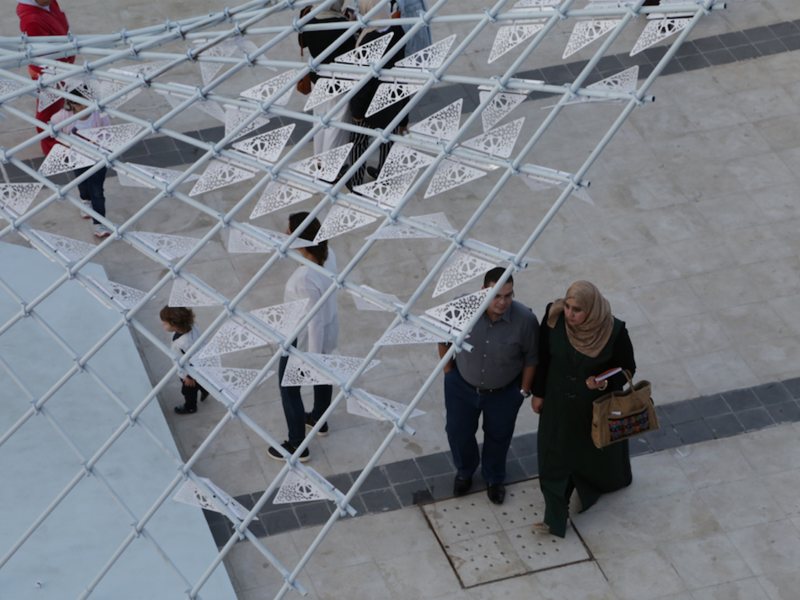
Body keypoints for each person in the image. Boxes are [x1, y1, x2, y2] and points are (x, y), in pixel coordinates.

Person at [530, 281, 636, 537]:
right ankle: (555, 518)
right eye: (567, 306)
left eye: (577, 309)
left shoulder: (613, 330)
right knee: (552, 456)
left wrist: (605, 382)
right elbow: (543, 357)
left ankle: (604, 482)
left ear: (591, 309)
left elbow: (627, 368)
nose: (569, 313)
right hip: (557, 404)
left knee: (593, 454)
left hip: (593, 408)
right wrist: (539, 393)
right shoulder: (553, 318)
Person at [438, 268, 539, 505]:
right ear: (484, 291)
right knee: (457, 432)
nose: (503, 301)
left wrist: (523, 391)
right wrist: (448, 373)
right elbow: (443, 339)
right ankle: (464, 472)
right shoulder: (461, 307)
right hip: (461, 388)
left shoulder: (525, 320)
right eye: (497, 295)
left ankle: (494, 478)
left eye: (508, 295)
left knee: (499, 437)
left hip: (504, 393)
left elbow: (532, 358)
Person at [268, 212, 339, 463]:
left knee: (288, 389)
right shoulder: (329, 255)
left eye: (288, 232)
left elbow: (314, 321)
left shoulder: (304, 277)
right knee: (323, 374)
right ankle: (319, 418)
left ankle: (297, 443)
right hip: (331, 325)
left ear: (300, 239)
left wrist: (312, 358)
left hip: (303, 339)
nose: (285, 235)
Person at [348, 0, 410, 187]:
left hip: (370, 104)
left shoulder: (369, 39)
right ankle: (385, 178)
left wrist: (357, 113)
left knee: (359, 142)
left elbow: (364, 83)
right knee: (387, 141)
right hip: (393, 99)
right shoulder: (397, 31)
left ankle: (357, 181)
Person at [50, 86, 112, 238]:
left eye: (88, 101)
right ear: (71, 103)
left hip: (97, 158)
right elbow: (53, 128)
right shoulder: (63, 116)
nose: (86, 106)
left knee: (97, 190)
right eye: (80, 103)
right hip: (77, 158)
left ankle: (99, 224)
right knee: (83, 183)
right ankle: (85, 201)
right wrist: (66, 145)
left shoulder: (99, 114)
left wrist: (98, 141)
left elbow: (109, 133)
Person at [16, 0, 75, 155]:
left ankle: (60, 134)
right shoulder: (32, 20)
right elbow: (43, 55)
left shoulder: (48, 3)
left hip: (61, 67)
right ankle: (52, 147)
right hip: (50, 72)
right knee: (48, 109)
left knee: (57, 104)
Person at [298, 1, 357, 155]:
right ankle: (330, 167)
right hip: (338, 82)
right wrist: (352, 26)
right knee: (336, 124)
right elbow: (353, 52)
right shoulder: (341, 24)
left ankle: (318, 159)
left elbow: (302, 42)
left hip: (317, 78)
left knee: (319, 121)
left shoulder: (307, 16)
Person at [160, 306, 210, 415]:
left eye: (165, 323)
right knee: (200, 383)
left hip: (189, 373)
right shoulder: (191, 327)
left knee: (188, 391)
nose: (162, 324)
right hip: (196, 370)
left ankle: (190, 407)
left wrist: (191, 376)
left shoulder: (185, 343)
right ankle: (205, 390)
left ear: (176, 326)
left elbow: (196, 358)